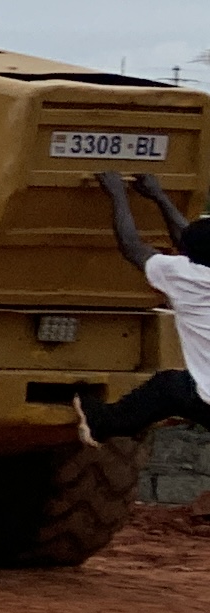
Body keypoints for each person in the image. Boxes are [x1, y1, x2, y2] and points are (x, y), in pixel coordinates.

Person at [84, 173, 210, 447]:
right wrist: (158, 195)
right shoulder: (191, 275)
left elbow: (132, 246)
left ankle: (102, 424)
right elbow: (188, 239)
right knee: (173, 386)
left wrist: (118, 194)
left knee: (169, 388)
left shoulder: (187, 278)